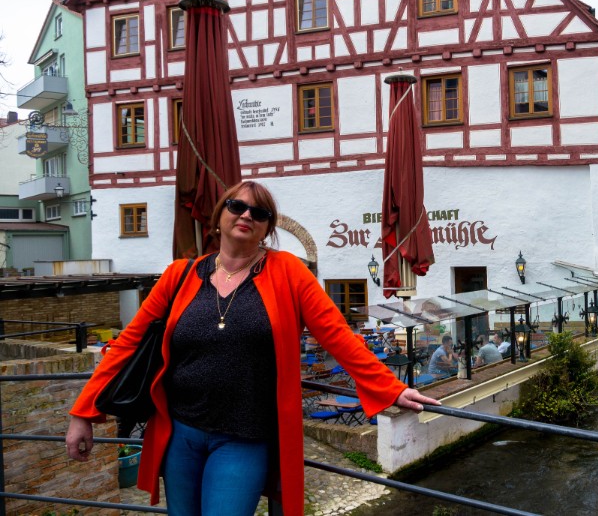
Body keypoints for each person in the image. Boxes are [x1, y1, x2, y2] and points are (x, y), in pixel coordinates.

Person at [65, 181, 440, 516]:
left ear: (267, 228)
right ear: (219, 216)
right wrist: (83, 412)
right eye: (237, 206)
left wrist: (391, 388)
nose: (246, 215)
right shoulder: (180, 275)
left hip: (243, 437)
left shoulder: (289, 271)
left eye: (259, 213)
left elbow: (337, 335)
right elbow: (128, 342)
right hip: (180, 432)